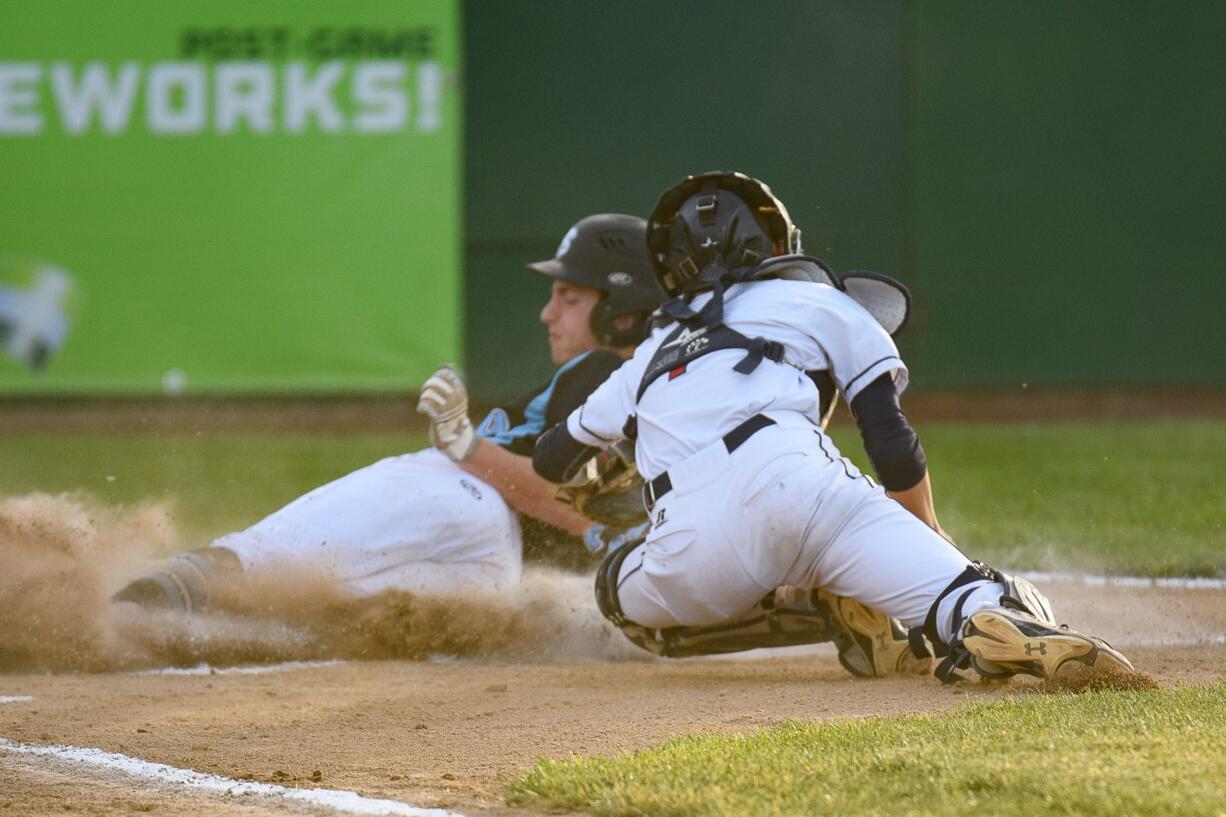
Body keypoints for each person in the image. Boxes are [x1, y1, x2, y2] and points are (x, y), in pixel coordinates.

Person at [534, 172, 1134, 683]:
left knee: (615, 590)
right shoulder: (818, 302)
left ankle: (818, 605)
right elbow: (890, 441)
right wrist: (926, 534)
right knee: (966, 591)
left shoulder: (650, 352)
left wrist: (600, 469)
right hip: (805, 489)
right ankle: (991, 620)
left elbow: (552, 459)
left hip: (690, 546)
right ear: (771, 243)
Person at [114, 214, 667, 611]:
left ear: (621, 310)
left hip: (461, 500)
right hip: (499, 572)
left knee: (251, 562)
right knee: (295, 609)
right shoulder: (657, 393)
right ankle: (167, 625)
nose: (548, 314)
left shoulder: (607, 373)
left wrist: (461, 443)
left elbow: (562, 498)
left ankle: (135, 607)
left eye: (570, 299)